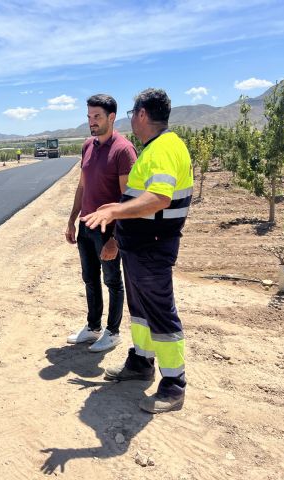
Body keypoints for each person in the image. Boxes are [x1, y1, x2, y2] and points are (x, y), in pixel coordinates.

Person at [81, 88, 193, 413]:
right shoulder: (153, 148)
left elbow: (160, 198)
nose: (133, 120)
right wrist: (119, 238)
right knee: (141, 312)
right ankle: (141, 363)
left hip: (153, 248)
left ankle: (174, 386)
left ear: (142, 114)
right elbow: (139, 199)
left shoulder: (163, 149)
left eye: (133, 114)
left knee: (160, 313)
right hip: (137, 247)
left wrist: (114, 211)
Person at [64, 94, 137, 352]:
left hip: (108, 229)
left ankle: (113, 332)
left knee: (112, 281)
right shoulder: (87, 146)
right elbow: (82, 186)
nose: (91, 122)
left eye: (97, 117)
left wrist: (115, 239)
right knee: (90, 279)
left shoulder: (123, 150)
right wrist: (73, 220)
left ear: (111, 117)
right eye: (89, 117)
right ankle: (93, 327)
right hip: (86, 225)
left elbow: (127, 199)